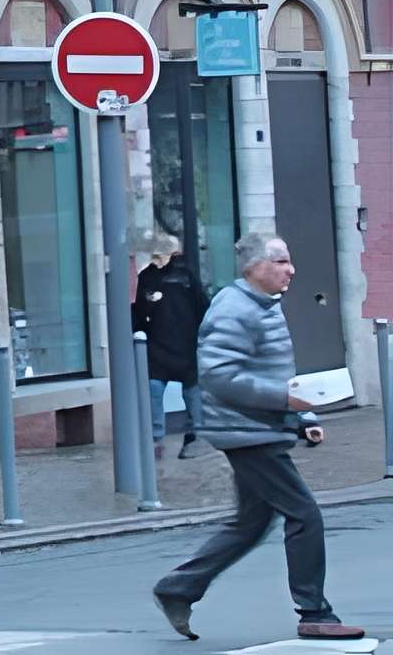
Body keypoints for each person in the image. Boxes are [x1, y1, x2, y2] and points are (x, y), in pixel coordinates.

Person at [151, 233, 362, 642]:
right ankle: (315, 613)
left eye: (289, 261)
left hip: (259, 426)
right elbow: (219, 376)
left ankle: (177, 588)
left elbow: (273, 375)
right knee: (304, 514)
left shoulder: (262, 305)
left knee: (251, 522)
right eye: (281, 262)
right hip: (246, 431)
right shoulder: (233, 309)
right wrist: (286, 399)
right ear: (254, 268)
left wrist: (303, 417)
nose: (291, 270)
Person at [133, 230, 205, 455]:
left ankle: (156, 439)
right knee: (190, 388)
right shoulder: (186, 275)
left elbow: (141, 308)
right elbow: (202, 305)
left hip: (161, 341)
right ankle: (196, 435)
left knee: (158, 388)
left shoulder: (149, 276)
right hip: (183, 341)